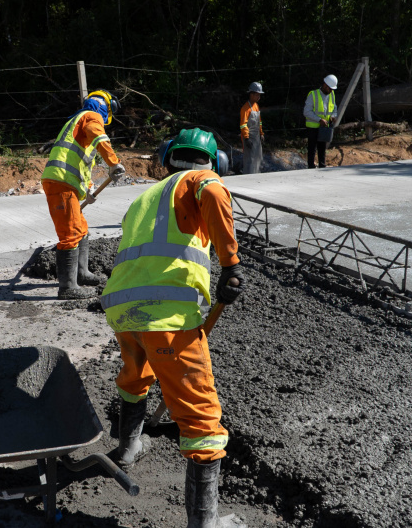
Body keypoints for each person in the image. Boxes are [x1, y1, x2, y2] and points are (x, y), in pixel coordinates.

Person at [100, 128, 245, 527]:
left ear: (167, 157)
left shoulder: (146, 196)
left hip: (124, 311)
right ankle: (205, 522)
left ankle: (129, 447)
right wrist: (231, 265)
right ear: (213, 161)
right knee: (201, 418)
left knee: (136, 376)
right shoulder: (201, 180)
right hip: (169, 317)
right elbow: (215, 193)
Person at [41, 90, 126, 300]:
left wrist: (88, 190)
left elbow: (82, 163)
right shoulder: (91, 117)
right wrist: (114, 162)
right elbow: (99, 136)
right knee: (70, 233)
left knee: (81, 229)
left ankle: (82, 273)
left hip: (65, 183)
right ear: (106, 109)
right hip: (61, 182)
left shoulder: (78, 123)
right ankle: (68, 287)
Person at [304, 75, 338, 169]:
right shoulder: (313, 94)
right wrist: (319, 120)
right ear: (325, 85)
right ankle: (311, 166)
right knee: (312, 148)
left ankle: (322, 166)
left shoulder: (332, 94)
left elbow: (334, 108)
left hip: (324, 127)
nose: (331, 90)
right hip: (313, 126)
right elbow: (306, 112)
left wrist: (333, 116)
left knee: (322, 148)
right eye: (330, 88)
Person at [239, 82, 265, 174]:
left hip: (257, 137)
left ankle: (256, 176)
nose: (259, 97)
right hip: (249, 138)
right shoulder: (245, 108)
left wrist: (261, 133)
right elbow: (243, 124)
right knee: (250, 159)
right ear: (251, 94)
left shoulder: (256, 106)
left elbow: (259, 122)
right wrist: (246, 138)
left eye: (259, 95)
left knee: (258, 158)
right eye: (257, 95)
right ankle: (248, 176)